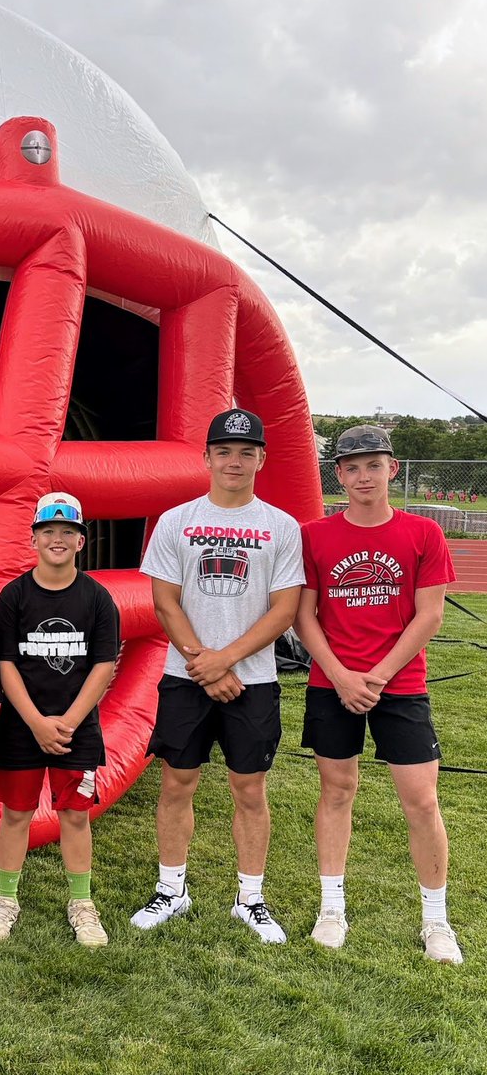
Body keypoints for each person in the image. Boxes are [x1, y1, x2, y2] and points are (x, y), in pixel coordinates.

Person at [294, 425, 462, 963]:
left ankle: (436, 919)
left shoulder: (423, 534)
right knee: (336, 791)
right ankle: (331, 908)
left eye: (374, 465)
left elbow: (429, 614)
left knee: (422, 800)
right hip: (332, 683)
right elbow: (303, 614)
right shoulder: (315, 535)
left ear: (392, 469)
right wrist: (342, 676)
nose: (363, 476)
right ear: (338, 474)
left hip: (401, 685)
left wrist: (379, 676)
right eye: (351, 467)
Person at [133, 409, 302, 943]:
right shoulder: (175, 520)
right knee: (177, 781)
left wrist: (224, 660)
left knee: (249, 787)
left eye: (246, 452)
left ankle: (250, 897)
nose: (235, 461)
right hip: (186, 675)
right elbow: (164, 599)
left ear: (261, 459)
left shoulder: (281, 525)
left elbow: (285, 609)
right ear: (206, 457)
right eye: (224, 451)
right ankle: (171, 889)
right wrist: (202, 664)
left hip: (251, 679)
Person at [0, 492, 118, 948]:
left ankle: (81, 903)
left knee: (75, 816)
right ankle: (5, 900)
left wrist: (70, 721)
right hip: (23, 726)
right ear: (34, 538)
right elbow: (3, 662)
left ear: (81, 540)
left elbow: (102, 665)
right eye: (48, 531)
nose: (57, 539)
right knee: (16, 813)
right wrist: (36, 720)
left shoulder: (97, 598)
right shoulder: (15, 595)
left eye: (67, 532)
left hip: (76, 729)